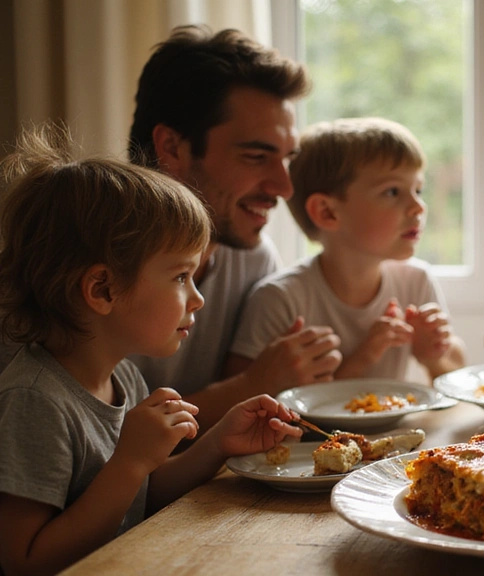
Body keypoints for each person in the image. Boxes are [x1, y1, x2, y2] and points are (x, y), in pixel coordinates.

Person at [0, 125, 302, 576]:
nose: (197, 297)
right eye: (181, 277)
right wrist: (130, 462)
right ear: (102, 289)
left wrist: (218, 441)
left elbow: (144, 493)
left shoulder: (122, 378)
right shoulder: (35, 401)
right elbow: (27, 562)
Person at [125, 25, 342, 430]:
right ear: (172, 147)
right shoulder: (84, 270)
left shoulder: (253, 260)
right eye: (257, 156)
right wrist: (253, 383)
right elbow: (88, 445)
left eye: (287, 159)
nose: (284, 186)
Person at [225, 117, 466, 383]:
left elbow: (458, 375)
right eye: (393, 192)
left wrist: (432, 356)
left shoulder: (415, 281)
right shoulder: (280, 299)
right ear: (327, 212)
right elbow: (246, 398)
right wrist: (364, 356)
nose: (418, 207)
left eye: (418, 189)